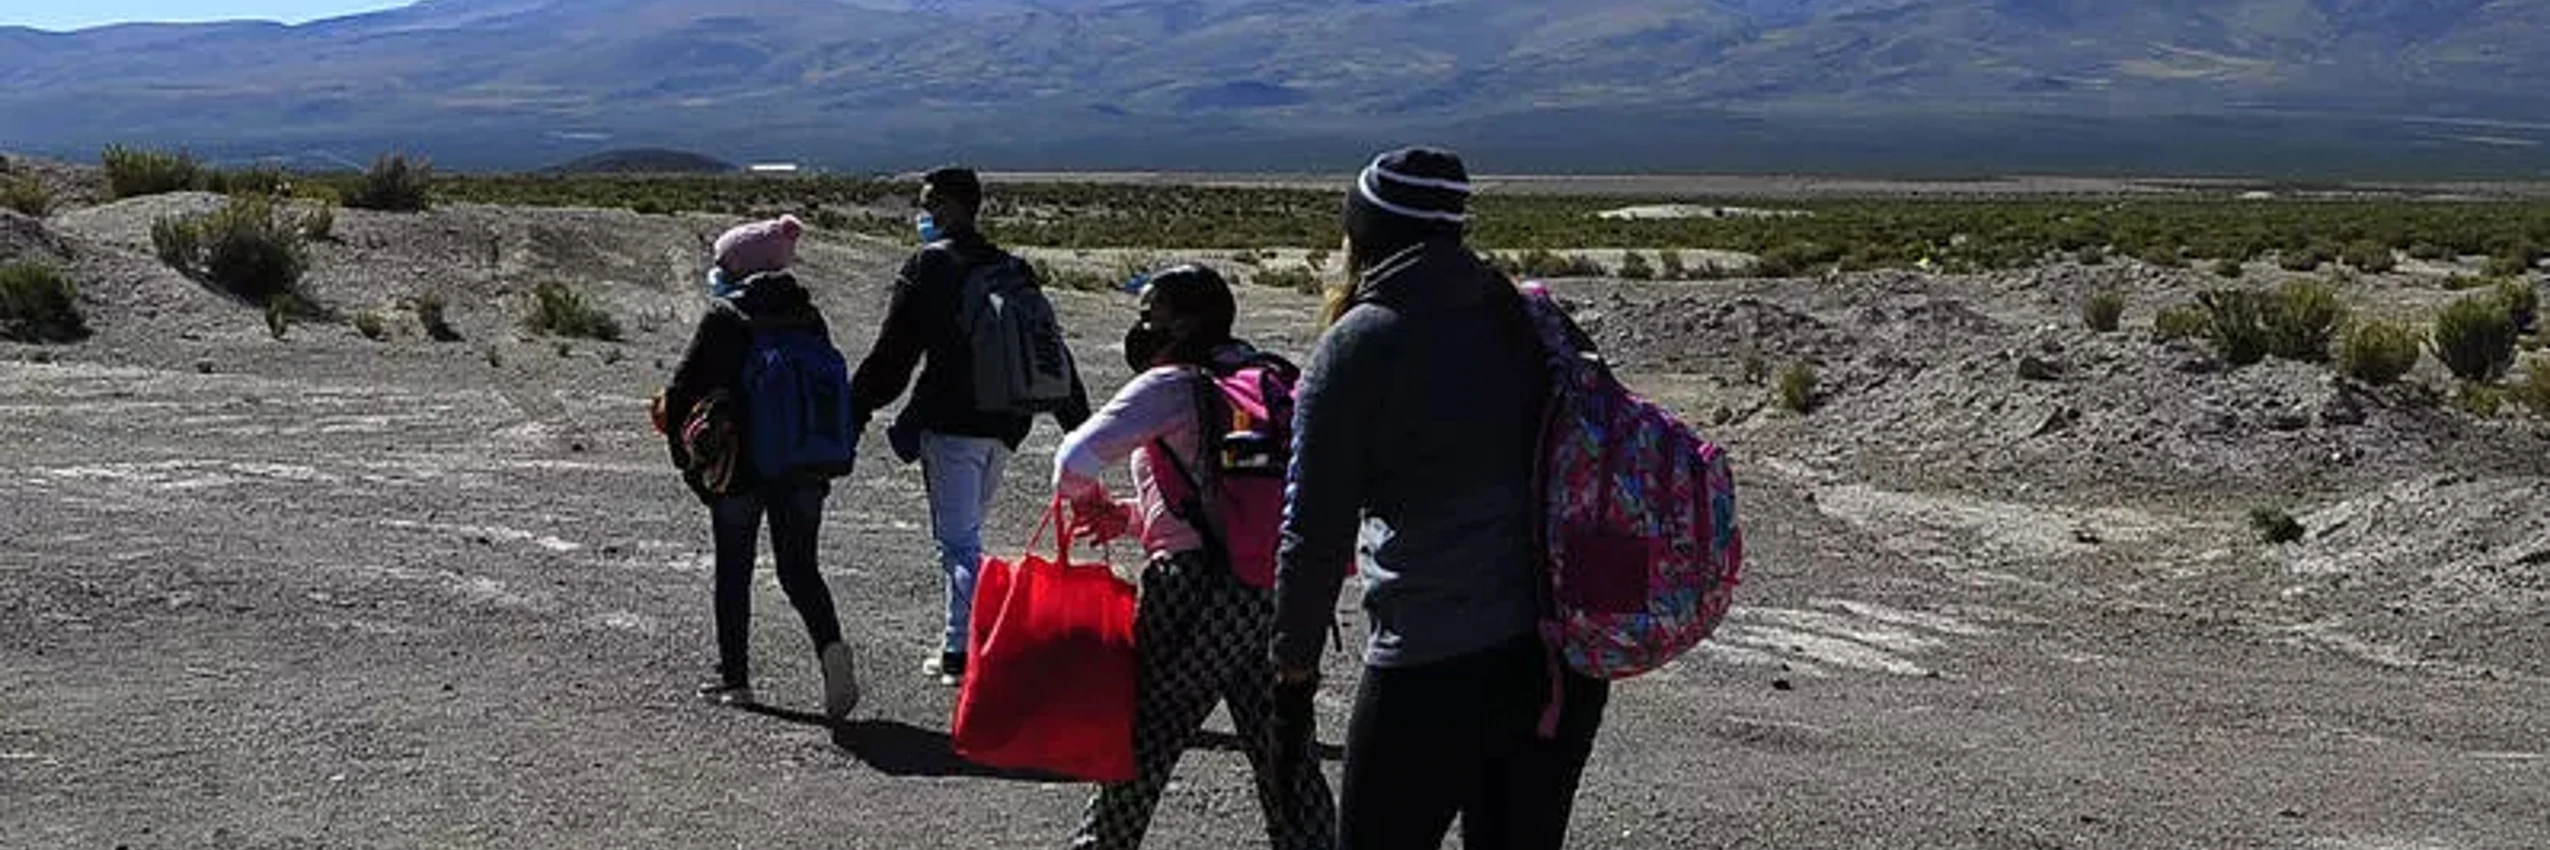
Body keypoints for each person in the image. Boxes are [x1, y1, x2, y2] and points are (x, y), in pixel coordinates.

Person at [1271, 148, 1611, 850]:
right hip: (1556, 664)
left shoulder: (1361, 343)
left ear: (1362, 231)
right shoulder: (1530, 320)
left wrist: (1292, 674)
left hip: (1431, 662)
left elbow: (1314, 530)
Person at [1051, 265, 1336, 850]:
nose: (1143, 324)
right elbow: (1228, 500)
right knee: (1281, 742)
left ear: (1183, 320)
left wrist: (1091, 501)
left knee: (1149, 736)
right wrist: (1131, 517)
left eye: (1151, 312)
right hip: (1272, 586)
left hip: (1194, 590)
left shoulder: (1172, 383)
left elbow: (1073, 462)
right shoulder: (1269, 377)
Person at [849, 167, 1092, 686]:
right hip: (1008, 421)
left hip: (952, 419)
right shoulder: (1010, 267)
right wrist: (1078, 423)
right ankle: (965, 642)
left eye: (931, 204)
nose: (925, 214)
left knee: (958, 542)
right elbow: (1051, 349)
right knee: (969, 533)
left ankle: (963, 650)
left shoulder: (931, 267)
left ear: (956, 207)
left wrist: (855, 406)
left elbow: (895, 353)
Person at [660, 215, 861, 720]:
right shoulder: (808, 316)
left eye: (724, 262)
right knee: (799, 568)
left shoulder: (726, 317)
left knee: (735, 569)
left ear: (740, 266)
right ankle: (831, 649)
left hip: (739, 467)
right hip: (802, 464)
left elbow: (682, 390)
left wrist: (688, 462)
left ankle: (736, 679)